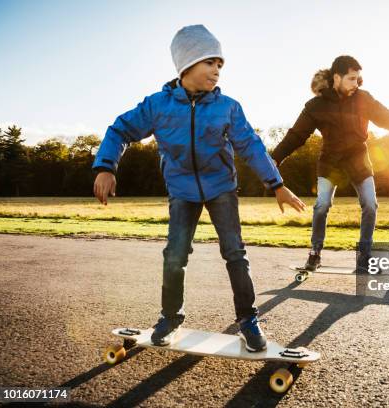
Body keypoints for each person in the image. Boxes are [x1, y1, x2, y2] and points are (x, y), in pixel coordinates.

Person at [92, 25, 305, 351]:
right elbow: (120, 130)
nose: (217, 70)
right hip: (181, 190)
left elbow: (251, 146)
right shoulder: (158, 106)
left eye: (220, 64)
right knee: (175, 256)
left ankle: (248, 320)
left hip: (221, 187)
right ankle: (170, 317)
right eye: (210, 62)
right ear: (187, 64)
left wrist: (276, 184)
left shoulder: (227, 107)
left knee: (235, 253)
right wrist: (107, 167)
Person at [272, 55, 389, 273]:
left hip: (358, 159)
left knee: (370, 204)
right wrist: (276, 157)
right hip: (330, 162)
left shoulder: (363, 99)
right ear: (337, 77)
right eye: (352, 79)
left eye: (358, 79)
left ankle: (364, 257)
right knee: (322, 205)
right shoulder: (316, 106)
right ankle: (315, 254)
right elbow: (296, 135)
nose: (357, 83)